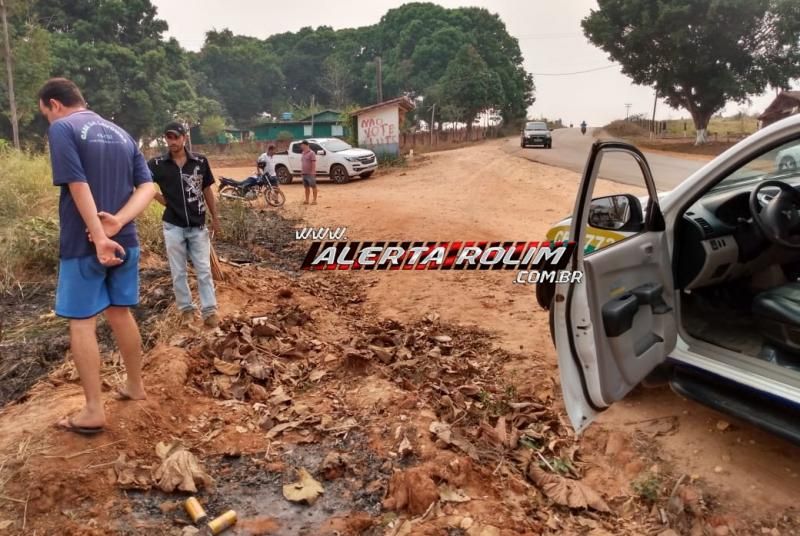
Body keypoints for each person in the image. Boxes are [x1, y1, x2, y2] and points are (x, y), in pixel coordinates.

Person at [39, 77, 155, 435]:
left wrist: (100, 235)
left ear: (54, 105)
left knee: (82, 322)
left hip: (84, 243)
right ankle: (135, 386)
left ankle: (93, 410)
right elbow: (149, 186)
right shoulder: (121, 134)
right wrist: (119, 222)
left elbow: (77, 183)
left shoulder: (63, 129)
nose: (48, 119)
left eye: (45, 113)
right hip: (127, 240)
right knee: (120, 312)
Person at [148, 122, 221, 328]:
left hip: (197, 225)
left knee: (203, 269)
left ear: (184, 138)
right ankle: (186, 310)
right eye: (168, 137)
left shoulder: (200, 161)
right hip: (173, 225)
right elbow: (141, 182)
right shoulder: (157, 165)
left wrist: (215, 216)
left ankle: (209, 311)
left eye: (175, 137)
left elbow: (207, 189)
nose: (172, 141)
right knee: (178, 271)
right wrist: (159, 197)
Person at [300, 140, 317, 205]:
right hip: (304, 173)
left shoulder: (312, 153)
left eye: (302, 145)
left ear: (306, 145)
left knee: (313, 186)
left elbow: (313, 163)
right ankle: (307, 200)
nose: (301, 146)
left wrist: (313, 171)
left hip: (310, 173)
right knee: (306, 187)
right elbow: (303, 163)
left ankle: (314, 200)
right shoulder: (303, 153)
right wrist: (302, 171)